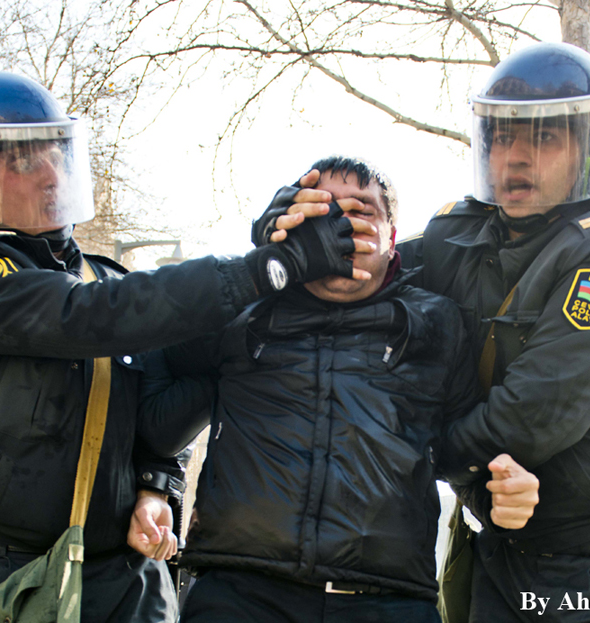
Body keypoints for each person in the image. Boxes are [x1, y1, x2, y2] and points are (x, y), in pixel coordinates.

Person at [253, 43, 590, 622]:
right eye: (505, 137)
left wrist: (393, 451)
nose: (517, 158)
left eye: (545, 139)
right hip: (503, 555)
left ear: (588, 147)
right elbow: (359, 270)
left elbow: (526, 421)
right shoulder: (458, 234)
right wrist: (282, 234)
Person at [0, 72, 367, 623]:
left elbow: (166, 402)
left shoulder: (101, 278)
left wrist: (156, 486)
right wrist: (265, 269)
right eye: (19, 161)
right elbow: (91, 317)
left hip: (128, 576)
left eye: (54, 155)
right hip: (18, 579)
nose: (48, 175)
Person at [142, 156, 540, 623]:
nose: (345, 224)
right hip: (239, 594)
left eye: (364, 210)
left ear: (392, 238)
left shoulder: (441, 324)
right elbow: (150, 383)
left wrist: (501, 499)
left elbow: (465, 457)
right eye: (325, 210)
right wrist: (151, 483)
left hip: (389, 601)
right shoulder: (241, 308)